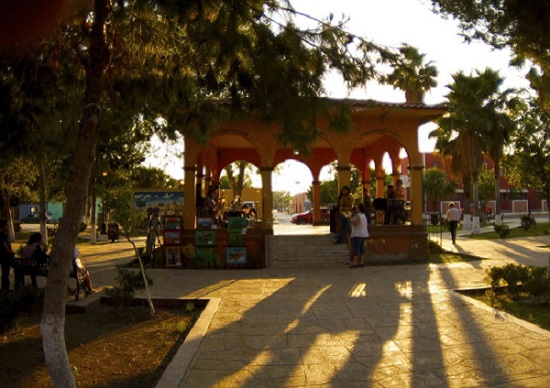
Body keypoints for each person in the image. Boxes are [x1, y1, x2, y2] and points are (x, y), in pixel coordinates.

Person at [350, 203, 370, 268]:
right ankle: (362, 262)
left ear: (359, 208)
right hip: (364, 234)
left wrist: (351, 220)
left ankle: (355, 263)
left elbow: (355, 224)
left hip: (357, 234)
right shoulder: (364, 216)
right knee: (362, 248)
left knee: (356, 249)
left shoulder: (358, 216)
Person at [0, 219, 16, 291]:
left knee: (6, 273)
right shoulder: (1, 235)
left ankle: (5, 287)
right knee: (5, 272)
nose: (8, 227)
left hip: (6, 256)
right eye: (6, 226)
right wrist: (10, 252)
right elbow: (4, 246)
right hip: (4, 257)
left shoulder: (5, 235)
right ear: (3, 227)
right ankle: (5, 288)